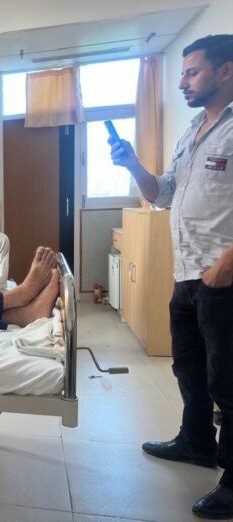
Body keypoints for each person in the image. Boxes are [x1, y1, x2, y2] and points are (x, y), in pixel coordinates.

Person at [110, 34, 233, 519]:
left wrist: (226, 263)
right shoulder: (193, 131)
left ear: (225, 71)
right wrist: (132, 164)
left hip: (223, 275)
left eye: (192, 72)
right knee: (189, 367)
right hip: (187, 273)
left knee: (228, 381)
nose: (182, 82)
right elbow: (161, 194)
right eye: (181, 73)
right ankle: (196, 442)